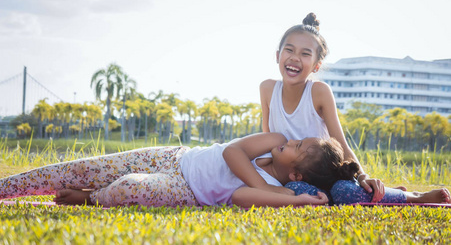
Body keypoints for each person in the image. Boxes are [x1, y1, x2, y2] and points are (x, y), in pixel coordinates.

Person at [0, 133, 356, 208]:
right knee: (80, 167)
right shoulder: (274, 139)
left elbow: (238, 196)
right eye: (299, 140)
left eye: (299, 149)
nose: (292, 142)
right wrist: (272, 188)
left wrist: (293, 201)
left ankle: (90, 199)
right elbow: (233, 152)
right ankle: (6, 187)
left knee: (128, 189)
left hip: (186, 192)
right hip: (173, 158)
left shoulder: (282, 192)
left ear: (296, 175)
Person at [260, 12, 394, 203]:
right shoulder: (267, 88)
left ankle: (411, 196)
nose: (295, 58)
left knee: (344, 192)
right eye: (289, 50)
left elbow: (340, 143)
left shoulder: (319, 92)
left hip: (323, 177)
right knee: (294, 189)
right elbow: (266, 141)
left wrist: (362, 175)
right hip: (287, 178)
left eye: (305, 54)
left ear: (316, 65)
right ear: (277, 55)